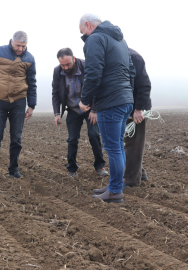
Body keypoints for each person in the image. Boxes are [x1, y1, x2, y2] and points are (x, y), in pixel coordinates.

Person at [78, 14, 134, 203]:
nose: (84, 37)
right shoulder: (120, 40)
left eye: (82, 32)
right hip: (125, 100)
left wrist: (85, 100)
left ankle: (115, 191)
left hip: (110, 102)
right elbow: (131, 70)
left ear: (88, 25)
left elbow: (93, 71)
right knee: (117, 146)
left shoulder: (96, 38)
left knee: (113, 149)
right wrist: (127, 94)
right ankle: (113, 186)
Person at [0, 31, 37, 181]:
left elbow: (32, 83)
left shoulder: (30, 59)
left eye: (23, 46)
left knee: (16, 138)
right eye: (18, 45)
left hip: (19, 101)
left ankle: (13, 169)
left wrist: (31, 105)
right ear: (12, 42)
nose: (20, 49)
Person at [52, 48, 109, 178]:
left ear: (74, 58)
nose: (65, 67)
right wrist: (57, 114)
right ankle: (72, 169)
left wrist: (94, 110)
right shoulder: (57, 71)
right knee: (72, 139)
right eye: (63, 65)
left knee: (94, 135)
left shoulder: (85, 66)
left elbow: (97, 87)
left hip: (90, 108)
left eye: (68, 64)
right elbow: (55, 93)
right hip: (73, 109)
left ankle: (100, 167)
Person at [124, 48, 152, 187]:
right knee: (127, 143)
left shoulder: (134, 57)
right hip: (124, 107)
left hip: (137, 109)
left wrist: (138, 109)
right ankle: (140, 172)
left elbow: (144, 85)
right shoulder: (112, 56)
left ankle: (132, 181)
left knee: (133, 144)